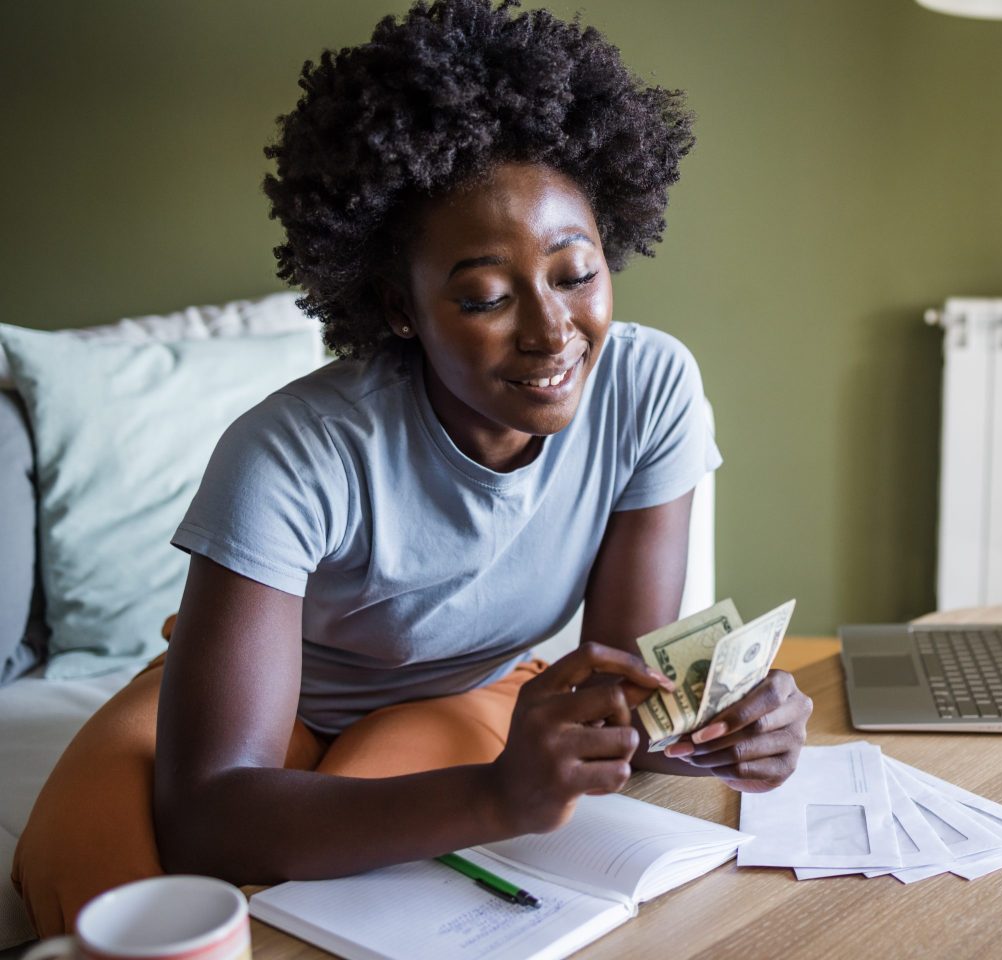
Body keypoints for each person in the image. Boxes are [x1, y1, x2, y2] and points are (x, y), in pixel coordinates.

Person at [12, 0, 811, 935]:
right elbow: (208, 815)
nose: (553, 330)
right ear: (400, 309)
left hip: (460, 699)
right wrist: (499, 799)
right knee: (113, 906)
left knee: (323, 902)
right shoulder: (292, 453)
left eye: (574, 272)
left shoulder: (651, 388)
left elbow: (632, 702)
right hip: (237, 721)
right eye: (483, 296)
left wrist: (725, 731)